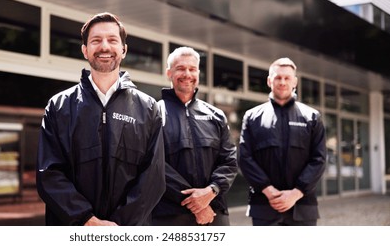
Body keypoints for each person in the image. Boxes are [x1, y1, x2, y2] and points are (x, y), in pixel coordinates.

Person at [36, 12, 165, 226]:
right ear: (85, 50)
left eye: (112, 40)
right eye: (96, 40)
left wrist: (118, 227)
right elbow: (48, 175)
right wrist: (87, 220)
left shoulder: (148, 108)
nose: (104, 46)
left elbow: (153, 177)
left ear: (124, 50)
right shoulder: (58, 107)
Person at [152, 46, 238, 226]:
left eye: (192, 69)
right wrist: (197, 205)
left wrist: (212, 190)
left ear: (198, 73)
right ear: (169, 73)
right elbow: (154, 164)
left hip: (215, 214)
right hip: (170, 217)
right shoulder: (153, 114)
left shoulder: (216, 115)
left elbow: (229, 160)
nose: (187, 74)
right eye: (180, 68)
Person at [238, 57, 326, 226]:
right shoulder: (252, 117)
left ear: (295, 82)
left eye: (287, 78)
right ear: (269, 81)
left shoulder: (312, 117)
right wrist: (268, 191)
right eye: (278, 77)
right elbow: (245, 158)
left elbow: (319, 159)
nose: (282, 82)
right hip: (264, 206)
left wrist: (296, 193)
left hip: (302, 207)